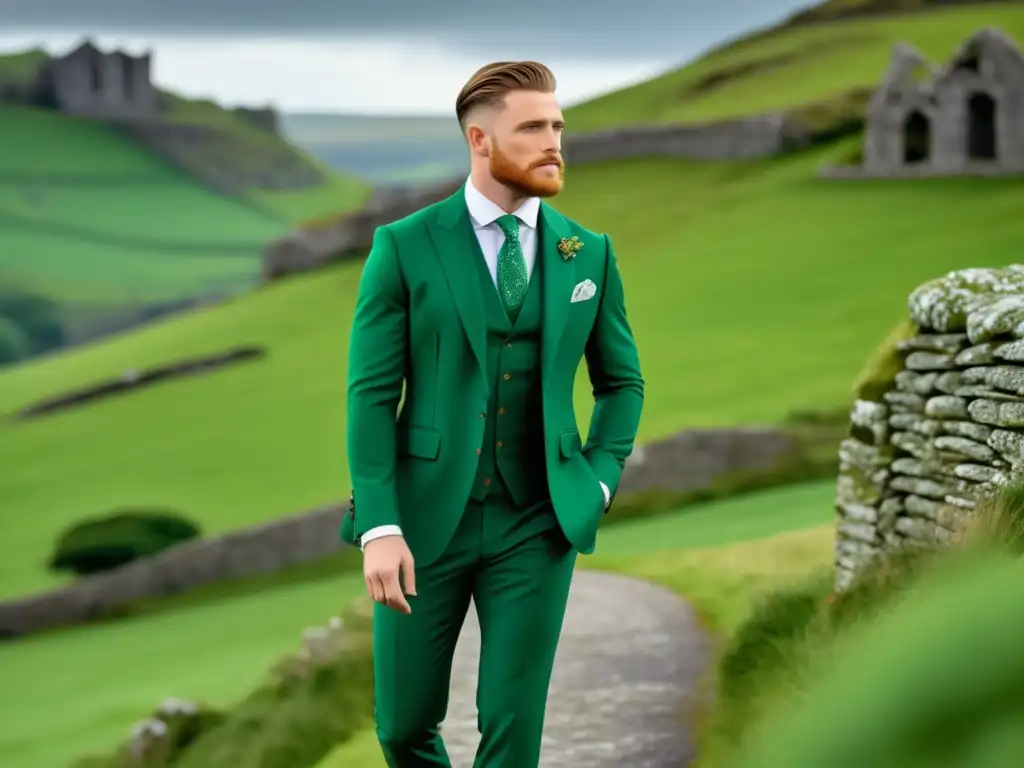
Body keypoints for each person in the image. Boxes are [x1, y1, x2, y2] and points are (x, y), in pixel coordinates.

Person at [341, 60, 644, 767]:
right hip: (421, 521)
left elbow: (622, 383)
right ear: (480, 140)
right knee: (401, 726)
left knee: (511, 725)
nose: (553, 143)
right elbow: (371, 395)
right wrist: (380, 525)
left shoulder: (588, 252)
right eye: (532, 128)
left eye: (558, 126)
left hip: (538, 519)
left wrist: (599, 480)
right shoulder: (405, 246)